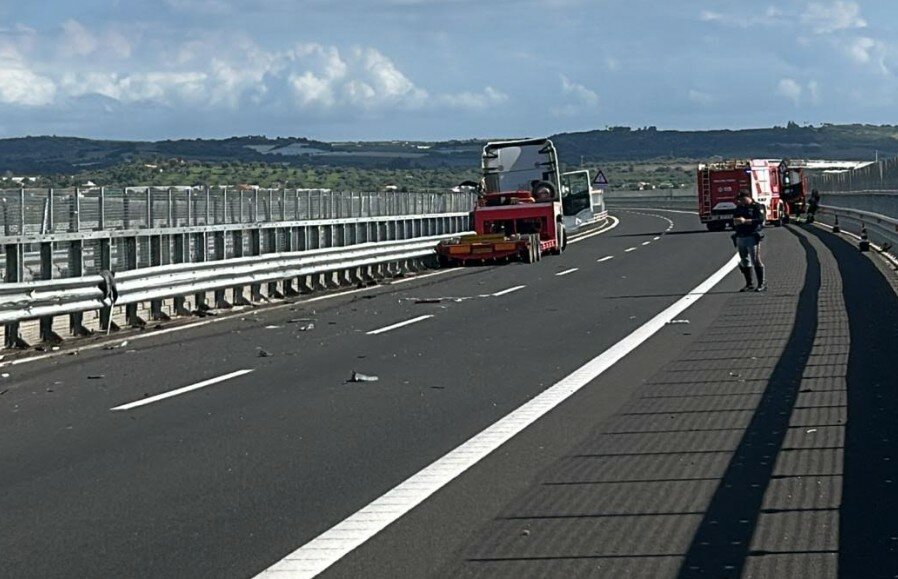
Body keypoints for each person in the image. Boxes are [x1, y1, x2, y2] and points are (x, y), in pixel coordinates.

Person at [732, 189, 766, 292]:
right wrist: (736, 221)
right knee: (744, 260)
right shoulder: (739, 207)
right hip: (741, 235)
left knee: (755, 259)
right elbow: (734, 218)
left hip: (752, 235)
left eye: (742, 199)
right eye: (740, 200)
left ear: (748, 197)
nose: (741, 201)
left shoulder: (756, 206)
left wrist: (746, 221)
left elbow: (760, 219)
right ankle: (749, 283)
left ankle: (762, 283)